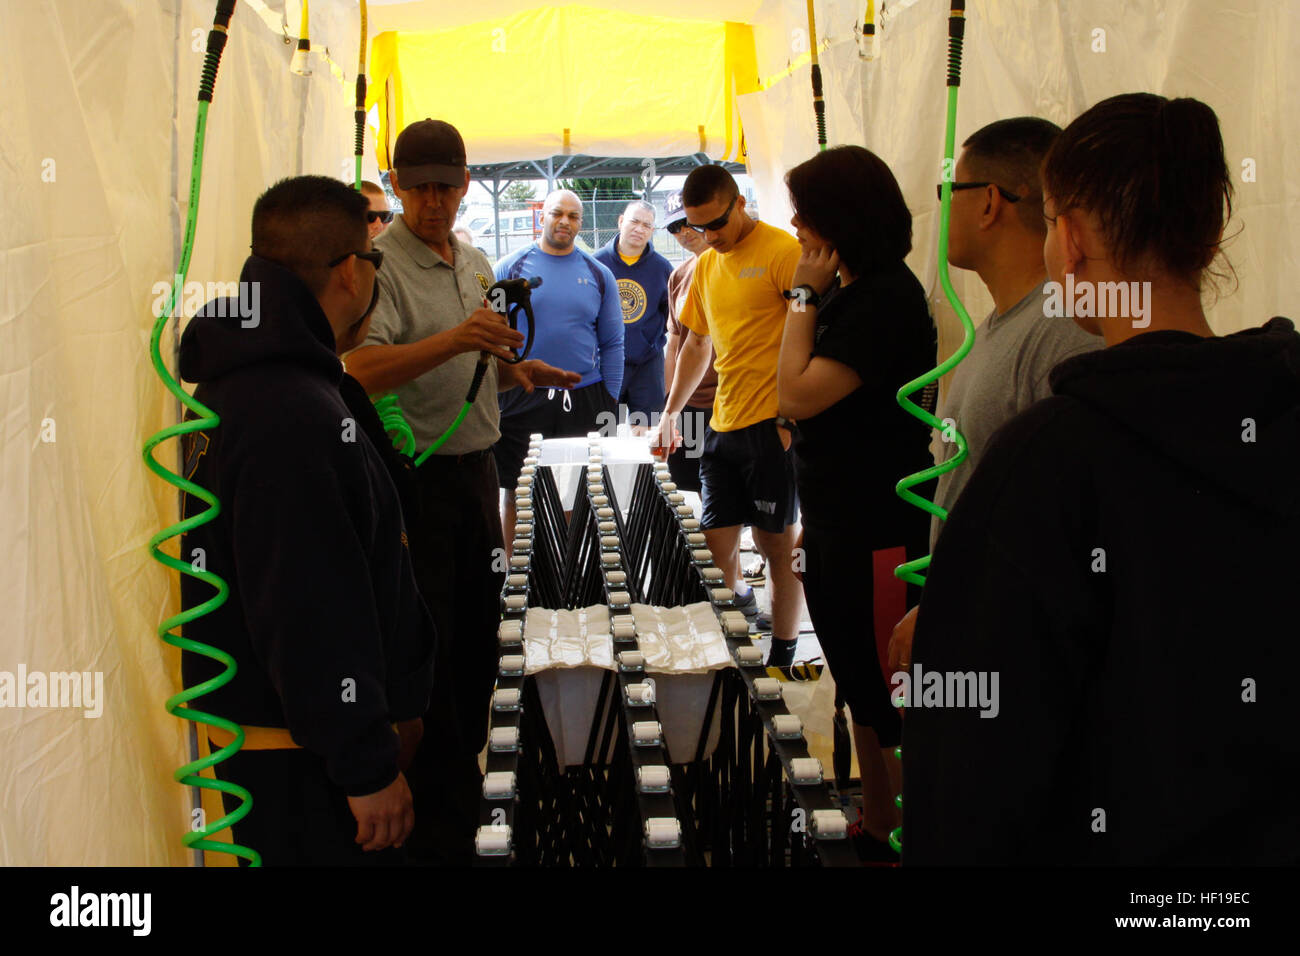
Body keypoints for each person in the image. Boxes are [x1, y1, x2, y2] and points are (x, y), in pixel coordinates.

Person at [904, 93, 1300, 864]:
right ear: (1211, 234)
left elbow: (977, 762)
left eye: (1051, 221)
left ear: (1072, 239)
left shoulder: (1050, 458)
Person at [178, 175, 435, 865]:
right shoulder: (289, 412)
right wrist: (365, 767)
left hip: (298, 750)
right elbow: (307, 603)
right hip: (302, 770)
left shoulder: (256, 380)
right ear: (351, 273)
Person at [344, 119, 579, 865]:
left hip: (478, 478)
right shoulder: (378, 267)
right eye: (418, 187)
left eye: (446, 185)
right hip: (419, 484)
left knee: (481, 634)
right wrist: (457, 340)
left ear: (466, 184)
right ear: (399, 186)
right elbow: (359, 369)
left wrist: (520, 372)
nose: (433, 201)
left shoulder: (474, 259)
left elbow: (482, 355)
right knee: (431, 644)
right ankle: (438, 809)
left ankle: (470, 774)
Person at [887, 117, 1101, 670]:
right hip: (970, 627)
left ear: (988, 203)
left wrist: (952, 612)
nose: (941, 210)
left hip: (1010, 652)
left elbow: (1058, 526)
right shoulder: (999, 326)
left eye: (947, 192)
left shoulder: (1062, 331)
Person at [777, 146, 937, 861]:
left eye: (806, 212)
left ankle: (908, 833)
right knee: (862, 689)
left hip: (879, 528)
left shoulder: (883, 298)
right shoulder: (857, 288)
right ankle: (879, 820)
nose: (796, 225)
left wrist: (802, 297)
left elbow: (796, 394)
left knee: (887, 694)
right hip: (842, 520)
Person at [652, 165, 804, 667]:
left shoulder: (784, 253)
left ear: (739, 203)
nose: (709, 237)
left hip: (771, 428)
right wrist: (670, 414)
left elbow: (815, 334)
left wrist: (789, 420)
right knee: (714, 544)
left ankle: (783, 654)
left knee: (775, 546)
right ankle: (726, 652)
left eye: (716, 224)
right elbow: (696, 343)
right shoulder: (706, 267)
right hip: (723, 424)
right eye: (697, 228)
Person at [493, 189, 625, 537]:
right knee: (518, 491)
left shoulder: (598, 274)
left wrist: (609, 399)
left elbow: (613, 343)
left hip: (584, 396)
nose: (564, 221)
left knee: (582, 492)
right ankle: (517, 577)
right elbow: (491, 340)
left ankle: (569, 574)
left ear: (581, 223)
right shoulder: (510, 268)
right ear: (542, 216)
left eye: (573, 216)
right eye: (557, 213)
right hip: (522, 394)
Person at [661, 189, 756, 616]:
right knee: (692, 503)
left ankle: (735, 587)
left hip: (737, 406)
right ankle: (708, 590)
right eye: (678, 227)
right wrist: (669, 411)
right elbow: (679, 342)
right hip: (693, 408)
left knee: (733, 513)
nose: (687, 233)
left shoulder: (751, 263)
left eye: (695, 224)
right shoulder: (682, 275)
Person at [594, 200, 673, 433]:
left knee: (647, 437)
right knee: (602, 434)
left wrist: (649, 340)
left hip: (647, 365)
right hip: (605, 363)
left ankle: (645, 472)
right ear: (620, 222)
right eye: (634, 221)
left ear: (652, 231)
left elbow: (671, 318)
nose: (640, 229)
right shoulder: (597, 264)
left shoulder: (663, 268)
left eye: (647, 225)